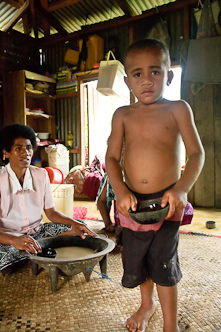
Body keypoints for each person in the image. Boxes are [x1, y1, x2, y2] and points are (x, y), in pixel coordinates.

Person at [105, 39, 205, 332]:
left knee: (163, 262)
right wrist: (120, 190)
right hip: (131, 203)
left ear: (169, 75)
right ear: (127, 81)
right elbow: (111, 158)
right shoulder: (122, 115)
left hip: (167, 202)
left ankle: (170, 326)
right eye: (137, 74)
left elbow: (197, 153)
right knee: (139, 260)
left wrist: (182, 188)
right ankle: (146, 306)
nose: (146, 80)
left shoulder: (178, 109)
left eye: (155, 72)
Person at [0, 123, 96, 275]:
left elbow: (51, 213)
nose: (26, 153)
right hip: (10, 237)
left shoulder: (41, 175)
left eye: (29, 148)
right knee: (4, 261)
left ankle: (35, 250)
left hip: (39, 231)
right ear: (6, 152)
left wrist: (73, 222)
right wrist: (14, 241)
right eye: (18, 148)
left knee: (80, 227)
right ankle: (40, 249)